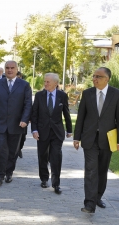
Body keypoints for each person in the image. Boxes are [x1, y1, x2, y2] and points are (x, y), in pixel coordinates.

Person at [74, 67, 119, 213]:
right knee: (91, 170)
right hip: (90, 139)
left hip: (108, 139)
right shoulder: (87, 94)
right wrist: (77, 137)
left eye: (98, 76)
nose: (94, 78)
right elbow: (81, 117)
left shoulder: (116, 94)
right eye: (94, 76)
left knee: (102, 170)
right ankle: (89, 204)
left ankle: (98, 196)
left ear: (107, 79)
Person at [31, 73, 72, 194]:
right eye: (45, 81)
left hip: (57, 132)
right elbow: (34, 114)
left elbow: (66, 113)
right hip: (42, 131)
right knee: (43, 156)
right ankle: (44, 179)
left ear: (55, 83)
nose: (45, 84)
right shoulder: (39, 95)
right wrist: (34, 130)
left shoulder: (62, 95)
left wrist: (69, 130)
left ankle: (56, 183)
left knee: (56, 157)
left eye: (48, 82)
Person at [0, 60, 32, 186]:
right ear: (4, 69)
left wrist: (25, 119)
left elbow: (28, 104)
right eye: (7, 68)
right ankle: (0, 175)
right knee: (0, 150)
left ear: (16, 69)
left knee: (13, 151)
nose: (9, 70)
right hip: (0, 123)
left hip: (17, 124)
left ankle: (9, 172)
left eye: (12, 68)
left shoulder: (24, 85)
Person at [16, 71, 26, 158]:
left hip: (22, 118)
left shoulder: (25, 86)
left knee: (23, 137)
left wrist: (26, 117)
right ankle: (16, 149)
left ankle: (19, 148)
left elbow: (28, 103)